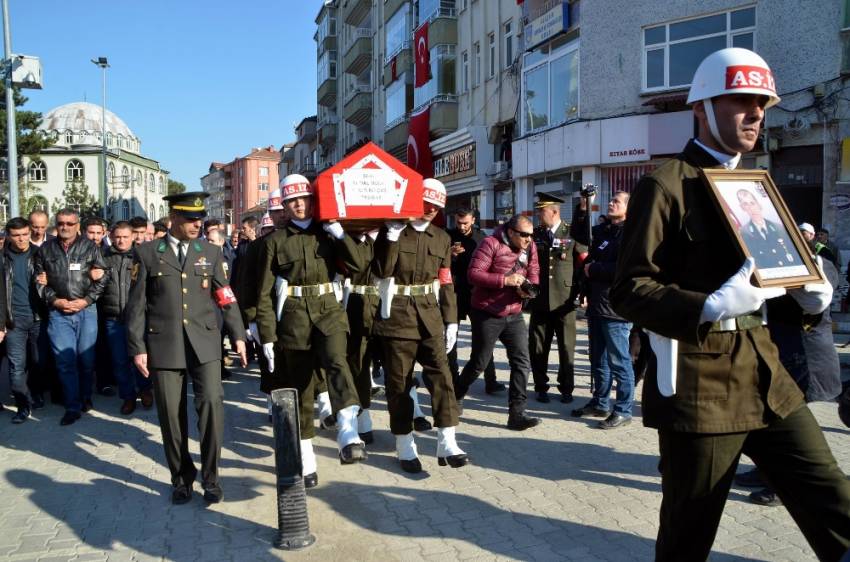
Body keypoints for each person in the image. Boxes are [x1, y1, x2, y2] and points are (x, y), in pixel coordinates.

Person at [610, 47, 850, 561]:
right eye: (740, 100)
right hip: (702, 386)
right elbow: (628, 289)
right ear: (702, 107)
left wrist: (809, 300)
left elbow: (771, 288)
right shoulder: (665, 185)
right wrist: (707, 306)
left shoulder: (759, 186)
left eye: (761, 102)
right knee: (688, 531)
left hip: (766, 373)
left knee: (833, 498)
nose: (756, 113)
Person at [126, 192, 247, 505]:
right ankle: (181, 478)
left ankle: (211, 478)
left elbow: (226, 295)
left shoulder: (209, 250)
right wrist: (137, 346)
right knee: (170, 415)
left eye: (200, 219)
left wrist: (238, 334)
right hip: (164, 344)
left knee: (211, 406)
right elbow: (136, 306)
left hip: (204, 343)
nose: (197, 224)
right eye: (191, 219)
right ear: (174, 218)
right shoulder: (149, 253)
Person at [255, 174, 367, 484]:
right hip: (293, 319)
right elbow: (263, 293)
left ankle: (347, 431)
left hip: (329, 311)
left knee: (337, 362)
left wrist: (340, 234)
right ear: (285, 207)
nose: (299, 205)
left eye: (303, 199)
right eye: (292, 201)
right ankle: (305, 455)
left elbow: (358, 266)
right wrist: (266, 335)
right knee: (301, 388)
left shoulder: (328, 233)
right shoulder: (275, 242)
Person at [373, 178, 467, 473]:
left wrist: (451, 320)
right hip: (398, 316)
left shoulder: (441, 238)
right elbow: (381, 270)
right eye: (425, 203)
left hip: (430, 315)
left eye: (436, 206)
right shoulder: (392, 231)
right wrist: (390, 237)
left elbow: (446, 281)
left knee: (443, 376)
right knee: (399, 383)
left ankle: (447, 440)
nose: (429, 210)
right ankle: (404, 444)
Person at [454, 214, 541, 431]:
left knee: (522, 362)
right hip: (487, 312)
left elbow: (534, 271)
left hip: (514, 313)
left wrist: (529, 290)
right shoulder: (490, 243)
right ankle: (455, 396)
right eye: (524, 235)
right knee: (479, 363)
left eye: (531, 235)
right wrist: (505, 280)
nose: (529, 239)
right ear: (511, 232)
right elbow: (473, 274)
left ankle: (517, 414)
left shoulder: (530, 247)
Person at [35, 209, 108, 426]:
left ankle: (85, 396)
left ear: (77, 226)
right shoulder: (46, 250)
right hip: (59, 314)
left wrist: (86, 300)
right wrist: (56, 301)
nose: (64, 227)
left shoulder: (91, 248)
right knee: (65, 362)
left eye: (69, 223)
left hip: (86, 311)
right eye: (60, 223)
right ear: (55, 225)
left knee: (86, 360)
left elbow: (103, 278)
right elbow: (39, 282)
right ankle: (72, 406)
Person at [571, 191, 635, 429]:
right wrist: (583, 207)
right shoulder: (604, 230)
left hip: (616, 307)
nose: (610, 203)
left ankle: (624, 409)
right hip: (597, 305)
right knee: (598, 359)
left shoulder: (631, 233)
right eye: (610, 200)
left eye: (616, 201)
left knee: (619, 361)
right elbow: (578, 235)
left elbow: (624, 268)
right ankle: (600, 402)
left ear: (628, 208)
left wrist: (594, 269)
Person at [528, 192, 586, 404]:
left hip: (565, 301)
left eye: (541, 211)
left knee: (566, 347)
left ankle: (567, 389)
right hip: (540, 300)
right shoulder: (535, 235)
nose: (538, 214)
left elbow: (582, 265)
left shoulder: (571, 233)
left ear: (553, 211)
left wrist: (582, 292)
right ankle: (541, 387)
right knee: (538, 347)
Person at [100, 221, 153, 415]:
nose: (121, 240)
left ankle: (145, 389)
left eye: (125, 237)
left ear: (133, 237)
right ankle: (128, 396)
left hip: (139, 318)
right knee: (120, 360)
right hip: (114, 318)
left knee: (141, 358)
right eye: (118, 237)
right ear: (112, 237)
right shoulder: (103, 257)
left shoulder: (143, 256)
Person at [448, 208, 502, 394]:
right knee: (450, 338)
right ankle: (453, 380)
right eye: (458, 222)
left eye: (465, 222)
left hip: (476, 293)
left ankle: (491, 381)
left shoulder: (482, 238)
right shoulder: (447, 236)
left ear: (473, 220)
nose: (462, 226)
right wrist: (450, 255)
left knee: (484, 339)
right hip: (453, 293)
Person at [2, 217, 48, 424]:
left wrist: (48, 280)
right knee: (16, 366)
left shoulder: (41, 254)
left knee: (38, 362)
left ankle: (36, 393)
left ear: (30, 234)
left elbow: (58, 281)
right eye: (16, 235)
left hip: (38, 318)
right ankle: (22, 406)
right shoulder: (2, 259)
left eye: (24, 235)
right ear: (8, 236)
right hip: (14, 321)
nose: (21, 239)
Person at [84, 216, 116, 397]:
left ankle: (104, 382)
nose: (95, 237)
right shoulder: (77, 251)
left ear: (104, 234)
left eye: (98, 233)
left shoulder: (109, 252)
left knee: (103, 345)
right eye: (91, 232)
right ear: (84, 232)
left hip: (105, 305)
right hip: (84, 304)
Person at [736, 189, 798, 270]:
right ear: (743, 208)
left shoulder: (779, 228)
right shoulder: (744, 232)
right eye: (746, 204)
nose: (751, 208)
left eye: (752, 203)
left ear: (758, 204)